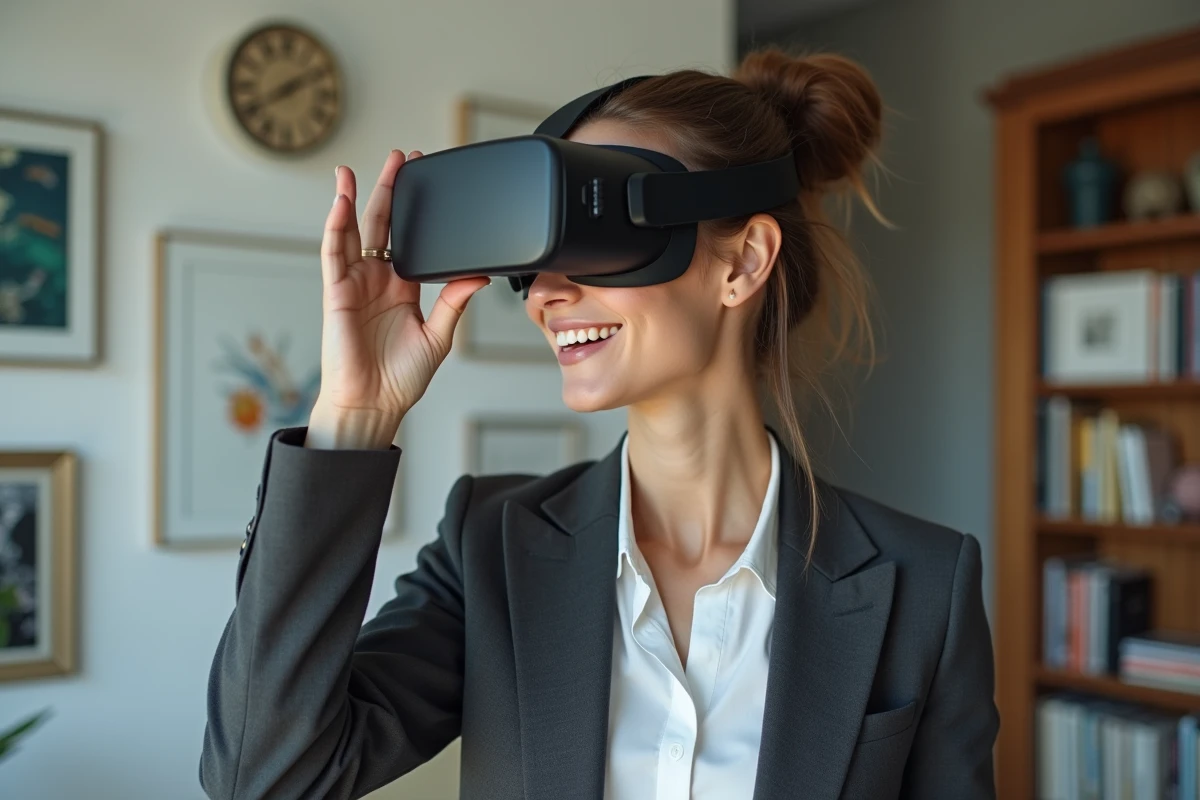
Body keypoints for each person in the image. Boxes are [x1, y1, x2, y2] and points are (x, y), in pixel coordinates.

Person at [199, 46, 999, 800]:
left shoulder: (924, 585)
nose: (546, 292)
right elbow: (264, 775)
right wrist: (353, 420)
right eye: (533, 259)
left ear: (744, 261)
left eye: (593, 231)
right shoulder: (492, 546)